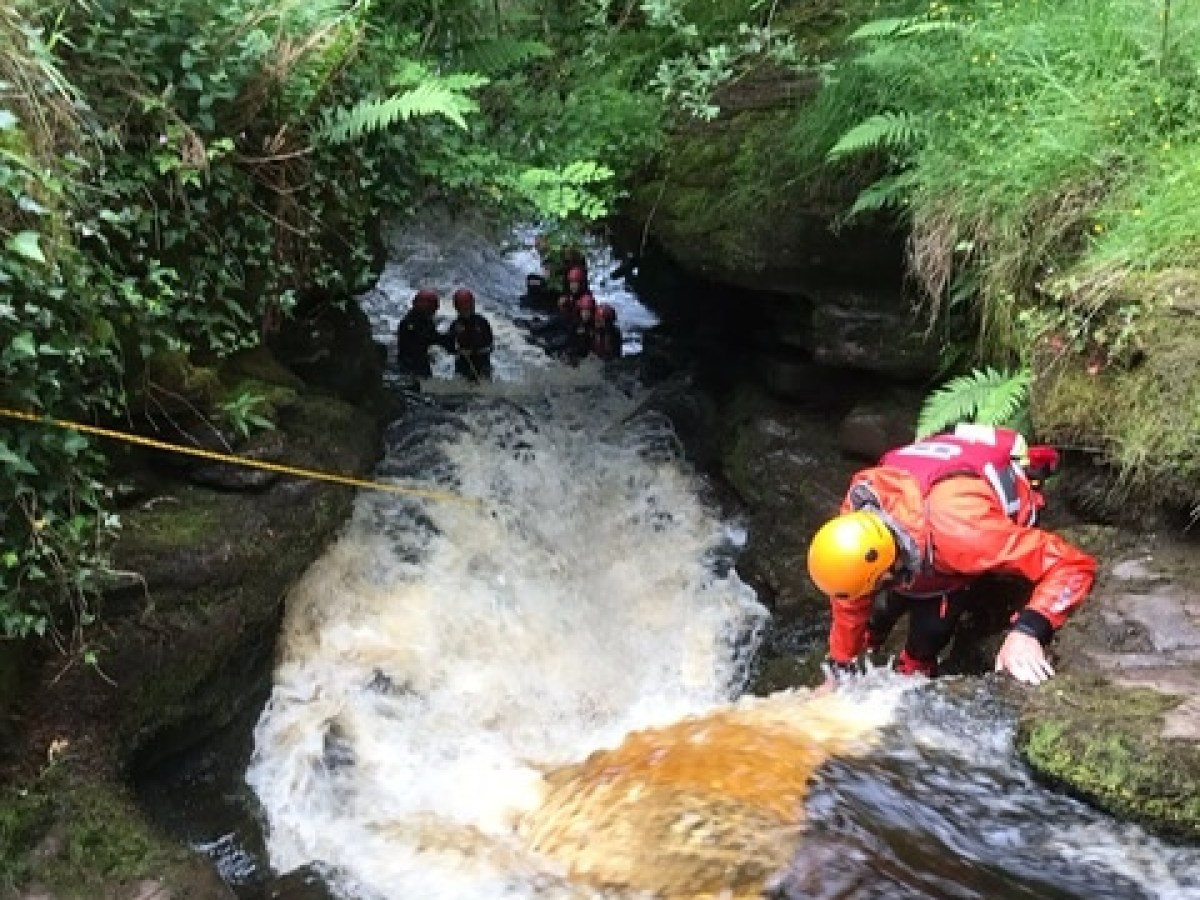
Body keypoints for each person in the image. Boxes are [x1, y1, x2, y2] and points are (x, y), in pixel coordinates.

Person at [806, 424, 1092, 685]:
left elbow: (1072, 565)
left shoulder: (967, 536)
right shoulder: (859, 509)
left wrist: (1028, 631)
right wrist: (840, 668)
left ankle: (916, 666)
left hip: (970, 505)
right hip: (937, 489)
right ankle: (877, 645)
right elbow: (849, 600)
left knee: (928, 632)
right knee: (882, 613)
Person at [444, 288, 493, 382]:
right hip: (463, 364)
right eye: (462, 309)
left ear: (472, 306)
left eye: (467, 308)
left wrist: (475, 351)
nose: (465, 311)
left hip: (481, 364)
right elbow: (449, 346)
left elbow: (490, 345)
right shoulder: (455, 325)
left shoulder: (481, 322)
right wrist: (457, 349)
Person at [394, 288, 444, 379]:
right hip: (409, 363)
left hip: (421, 360)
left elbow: (433, 336)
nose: (432, 313)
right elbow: (422, 338)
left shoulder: (427, 321)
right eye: (431, 310)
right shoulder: (408, 323)